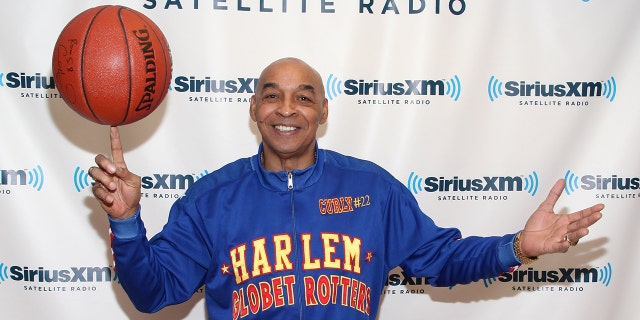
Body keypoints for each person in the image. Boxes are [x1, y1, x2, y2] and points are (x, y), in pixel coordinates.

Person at [89, 57, 604, 319]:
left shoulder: (371, 190)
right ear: (253, 110)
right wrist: (126, 222)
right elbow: (152, 293)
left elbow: (442, 259)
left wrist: (517, 246)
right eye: (272, 97)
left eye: (303, 98)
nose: (286, 110)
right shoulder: (210, 201)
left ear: (324, 111)